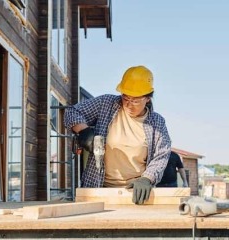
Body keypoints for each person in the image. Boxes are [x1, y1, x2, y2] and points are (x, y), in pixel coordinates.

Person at [64, 65, 171, 205]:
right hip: (97, 188)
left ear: (148, 98)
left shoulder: (157, 122)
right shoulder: (106, 104)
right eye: (126, 98)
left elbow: (161, 155)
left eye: (135, 100)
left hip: (136, 193)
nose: (129, 105)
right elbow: (72, 112)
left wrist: (147, 179)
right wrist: (83, 130)